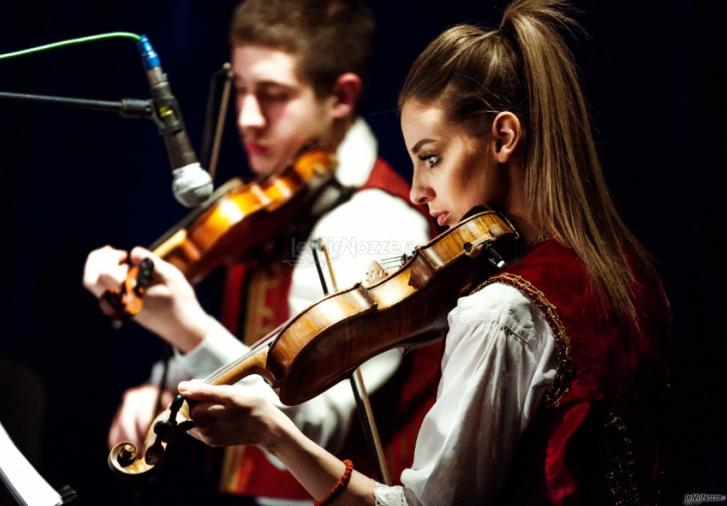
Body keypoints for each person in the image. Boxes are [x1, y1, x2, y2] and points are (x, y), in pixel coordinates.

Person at [175, 0, 672, 504]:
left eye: (431, 158)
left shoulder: (500, 314)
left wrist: (273, 432)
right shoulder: (628, 272)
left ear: (503, 137)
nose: (416, 191)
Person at [83, 0, 438, 503]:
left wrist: (189, 331)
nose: (246, 118)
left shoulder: (376, 226)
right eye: (240, 90)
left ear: (340, 95)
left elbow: (315, 431)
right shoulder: (276, 201)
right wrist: (173, 390)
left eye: (273, 95)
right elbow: (251, 346)